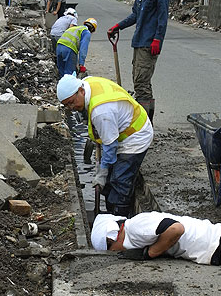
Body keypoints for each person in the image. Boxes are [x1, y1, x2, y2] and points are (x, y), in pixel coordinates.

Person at [56, 75, 153, 216]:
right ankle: (110, 209)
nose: (72, 108)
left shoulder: (101, 112)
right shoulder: (87, 82)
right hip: (121, 130)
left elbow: (110, 146)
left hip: (135, 137)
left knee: (120, 180)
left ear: (80, 91)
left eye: (72, 103)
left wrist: (102, 172)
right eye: (67, 106)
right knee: (109, 182)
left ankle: (120, 219)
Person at [91, 212, 221, 275]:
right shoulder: (136, 229)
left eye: (112, 251)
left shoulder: (135, 226)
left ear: (112, 239)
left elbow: (175, 229)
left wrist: (150, 254)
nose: (117, 254)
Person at [108, 0, 170, 123]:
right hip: (138, 41)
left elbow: (162, 16)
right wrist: (118, 26)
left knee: (141, 85)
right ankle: (145, 126)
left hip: (149, 43)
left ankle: (144, 128)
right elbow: (136, 14)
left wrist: (158, 38)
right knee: (140, 83)